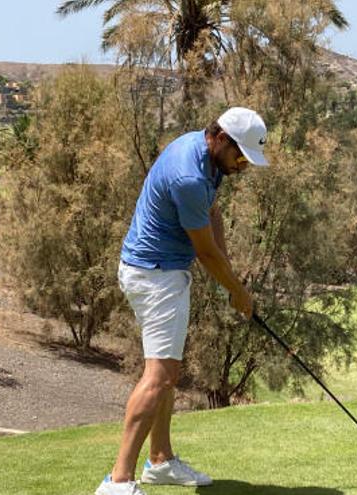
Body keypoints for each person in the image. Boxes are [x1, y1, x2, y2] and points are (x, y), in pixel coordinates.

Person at [96, 107, 270, 495]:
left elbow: (213, 213)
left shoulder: (204, 155)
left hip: (158, 271)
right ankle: (118, 481)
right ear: (221, 138)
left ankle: (160, 460)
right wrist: (237, 290)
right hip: (156, 276)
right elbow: (204, 252)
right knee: (159, 377)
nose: (242, 166)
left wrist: (231, 276)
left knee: (168, 373)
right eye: (240, 156)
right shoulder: (189, 175)